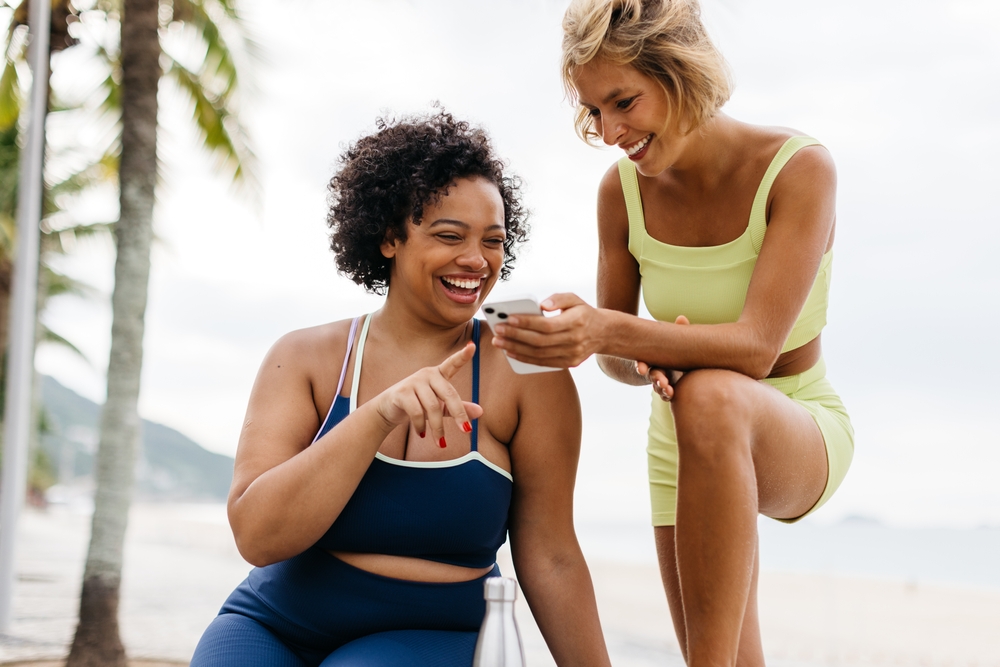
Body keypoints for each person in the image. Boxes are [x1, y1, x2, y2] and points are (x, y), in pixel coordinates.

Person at [490, 1, 854, 665]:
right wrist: (625, 351)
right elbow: (622, 361)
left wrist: (613, 331)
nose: (609, 131)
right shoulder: (619, 194)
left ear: (681, 72)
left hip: (795, 418)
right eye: (595, 111)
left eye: (623, 101)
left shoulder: (800, 170)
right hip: (681, 438)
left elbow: (755, 348)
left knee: (714, 391)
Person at [190, 111, 611, 667]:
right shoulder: (305, 357)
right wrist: (375, 416)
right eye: (448, 236)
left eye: (493, 241)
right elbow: (257, 536)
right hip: (276, 621)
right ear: (390, 237)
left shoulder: (525, 361)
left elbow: (552, 554)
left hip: (433, 632)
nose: (475, 260)